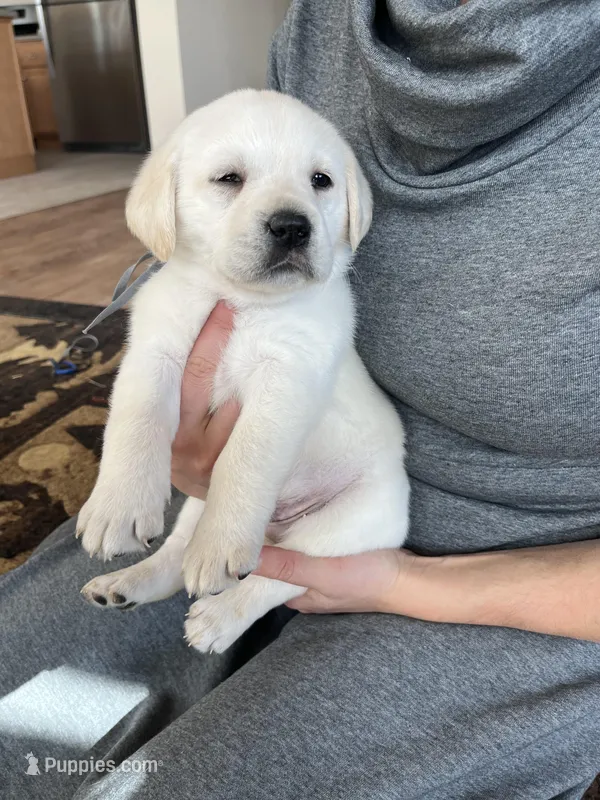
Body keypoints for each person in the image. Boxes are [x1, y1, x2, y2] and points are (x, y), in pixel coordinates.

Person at [1, 1, 600, 798]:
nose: (290, 213)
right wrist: (184, 467)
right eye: (230, 181)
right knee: (18, 723)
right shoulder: (324, 26)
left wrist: (397, 584)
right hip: (235, 497)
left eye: (318, 186)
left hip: (518, 574)